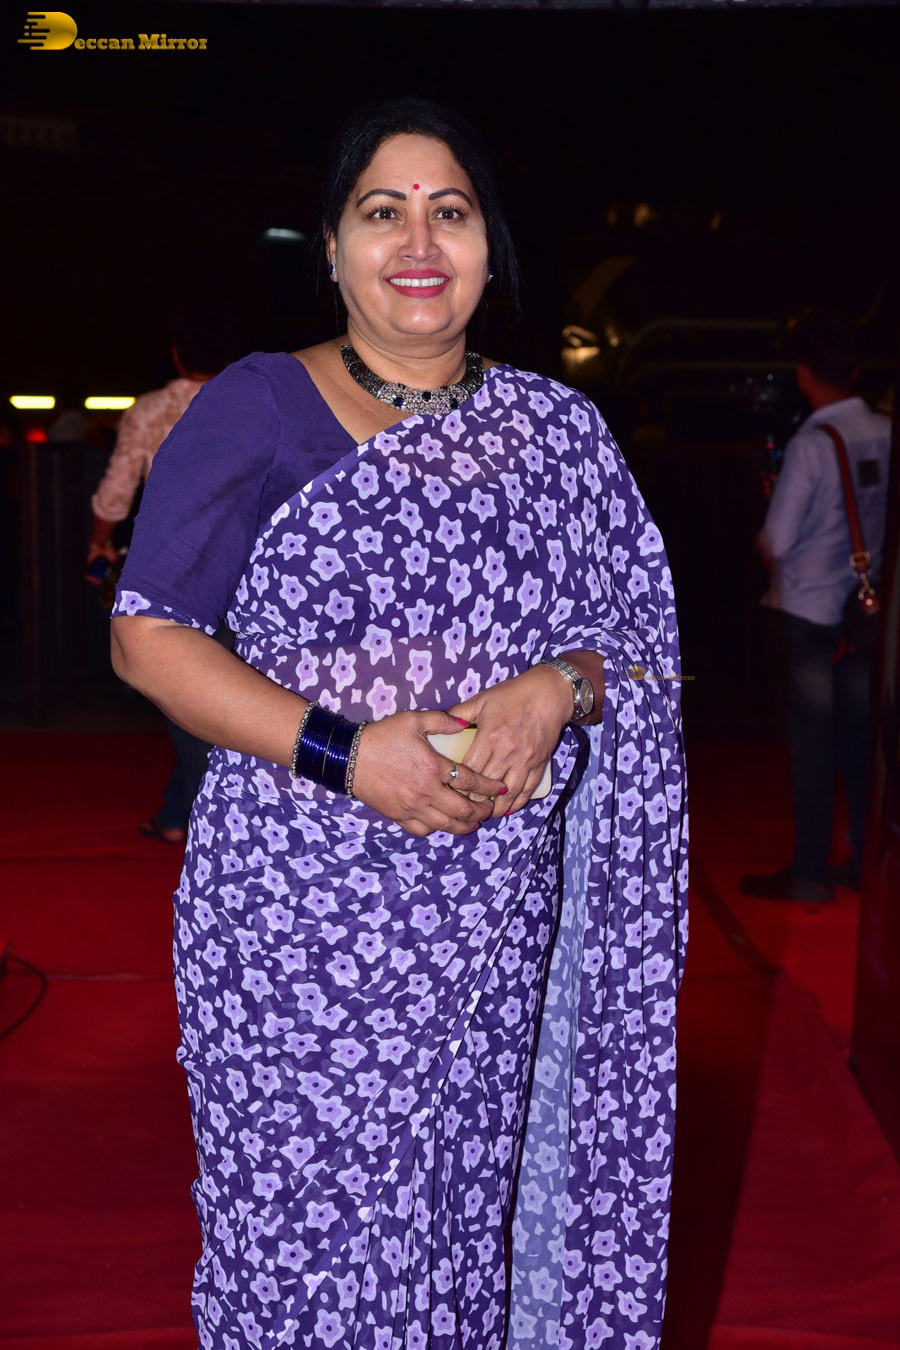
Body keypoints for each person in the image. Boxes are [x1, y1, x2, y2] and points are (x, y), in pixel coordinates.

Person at [110, 99, 688, 1350]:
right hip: (297, 932)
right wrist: (349, 752)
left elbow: (640, 647)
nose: (419, 242)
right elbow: (147, 633)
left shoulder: (561, 435)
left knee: (454, 1235)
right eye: (384, 212)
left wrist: (560, 686)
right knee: (306, 1248)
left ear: (489, 247)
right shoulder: (260, 406)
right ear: (331, 247)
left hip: (491, 928)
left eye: (451, 212)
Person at [741, 312, 890, 903]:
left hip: (806, 608)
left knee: (811, 749)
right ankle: (862, 862)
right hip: (864, 607)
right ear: (853, 371)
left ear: (805, 374)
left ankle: (808, 872)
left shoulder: (812, 443)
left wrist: (769, 518)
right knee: (860, 741)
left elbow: (776, 542)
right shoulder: (884, 430)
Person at [88, 312, 241, 843]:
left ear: (177, 355)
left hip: (173, 561)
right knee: (227, 676)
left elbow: (117, 489)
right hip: (247, 557)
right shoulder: (248, 401)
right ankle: (181, 812)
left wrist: (97, 544)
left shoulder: (150, 409)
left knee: (180, 678)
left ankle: (196, 815)